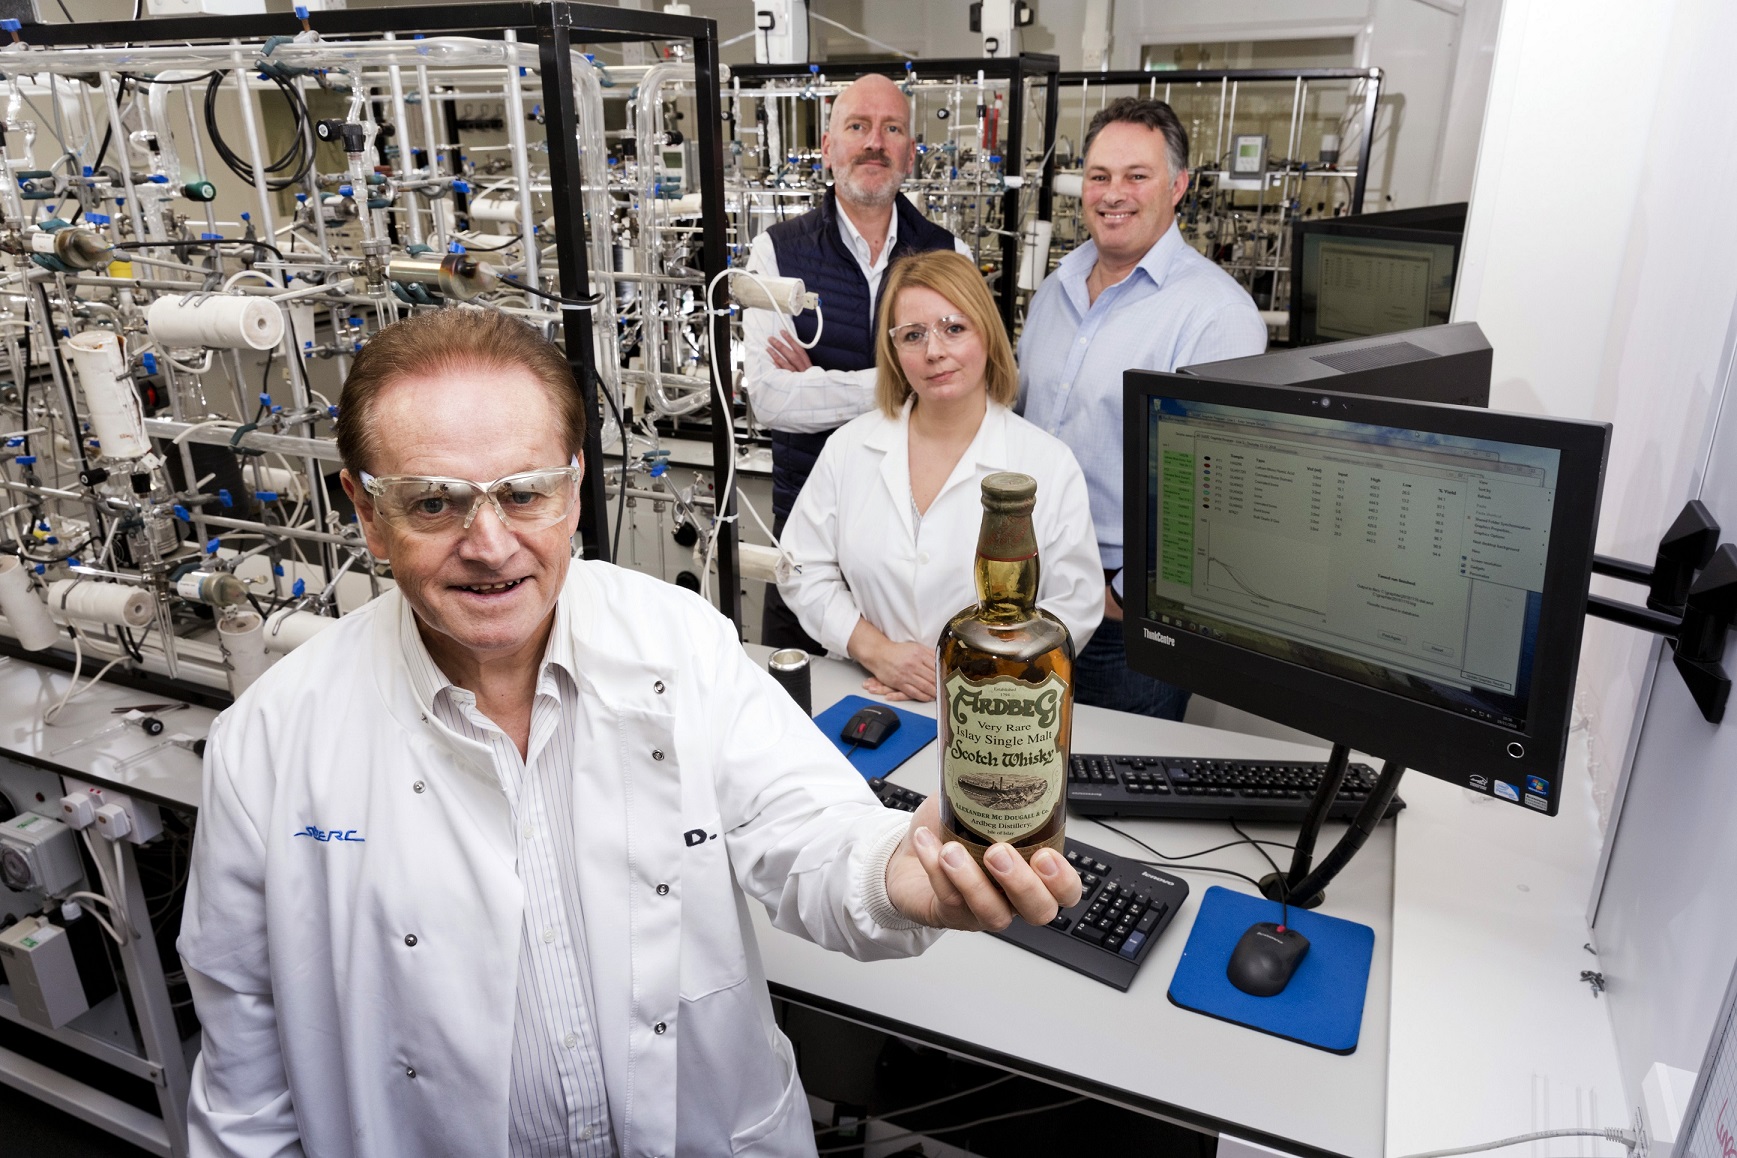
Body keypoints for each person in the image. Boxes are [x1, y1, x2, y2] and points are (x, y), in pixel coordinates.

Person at [176, 309, 1081, 1158]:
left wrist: (897, 874)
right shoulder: (271, 743)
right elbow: (245, 1088)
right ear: (367, 511)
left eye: (524, 493)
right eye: (434, 503)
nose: (489, 544)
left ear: (574, 489)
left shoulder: (676, 641)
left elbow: (809, 829)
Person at [1018, 97, 1267, 721]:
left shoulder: (1217, 316)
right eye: (1099, 176)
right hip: (1031, 590)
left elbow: (1218, 496)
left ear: (1178, 186)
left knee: (1112, 796)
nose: (1113, 193)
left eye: (1137, 176)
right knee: (1016, 777)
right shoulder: (1058, 285)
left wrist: (1124, 595)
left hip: (1119, 619)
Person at [779, 250, 1102, 702]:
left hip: (997, 708)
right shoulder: (851, 447)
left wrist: (968, 672)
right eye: (913, 335)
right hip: (867, 691)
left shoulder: (1046, 463)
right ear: (894, 352)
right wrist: (879, 652)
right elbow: (801, 569)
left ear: (987, 333)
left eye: (954, 328)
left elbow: (1076, 605)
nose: (934, 351)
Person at [741, 72, 972, 655]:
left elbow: (971, 391)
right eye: (858, 126)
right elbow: (770, 400)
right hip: (807, 545)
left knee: (914, 718)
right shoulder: (777, 252)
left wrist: (817, 383)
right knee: (797, 718)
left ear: (910, 152)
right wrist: (913, 380)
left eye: (892, 128)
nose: (875, 141)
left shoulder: (949, 254)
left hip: (917, 552)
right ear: (828, 148)